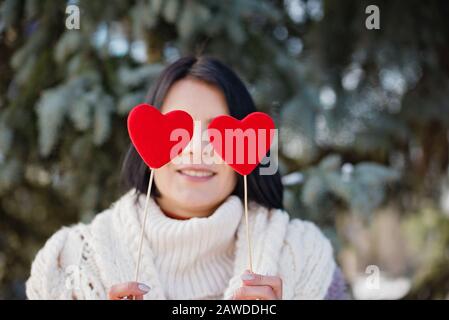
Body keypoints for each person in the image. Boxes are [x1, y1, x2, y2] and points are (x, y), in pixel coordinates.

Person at [26, 56, 348, 300]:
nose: (196, 148)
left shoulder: (305, 258)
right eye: (178, 129)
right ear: (147, 140)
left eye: (218, 130)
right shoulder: (69, 264)